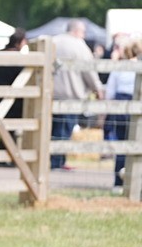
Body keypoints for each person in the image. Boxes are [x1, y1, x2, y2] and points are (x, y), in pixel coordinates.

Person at [50, 19, 104, 170]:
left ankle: (48, 160)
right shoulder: (80, 46)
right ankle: (57, 162)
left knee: (51, 128)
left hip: (50, 93)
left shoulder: (53, 42)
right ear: (77, 31)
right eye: (83, 31)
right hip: (71, 94)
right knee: (64, 129)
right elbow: (89, 70)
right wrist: (97, 88)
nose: (84, 35)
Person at [0, 28, 29, 164]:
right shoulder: (18, 58)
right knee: (10, 128)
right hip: (13, 98)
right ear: (20, 42)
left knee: (4, 128)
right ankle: (8, 158)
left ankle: (4, 158)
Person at [104, 38, 140, 190]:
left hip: (120, 107)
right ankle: (136, 183)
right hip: (136, 104)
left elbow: (109, 93)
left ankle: (118, 184)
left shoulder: (119, 68)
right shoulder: (138, 66)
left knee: (121, 146)